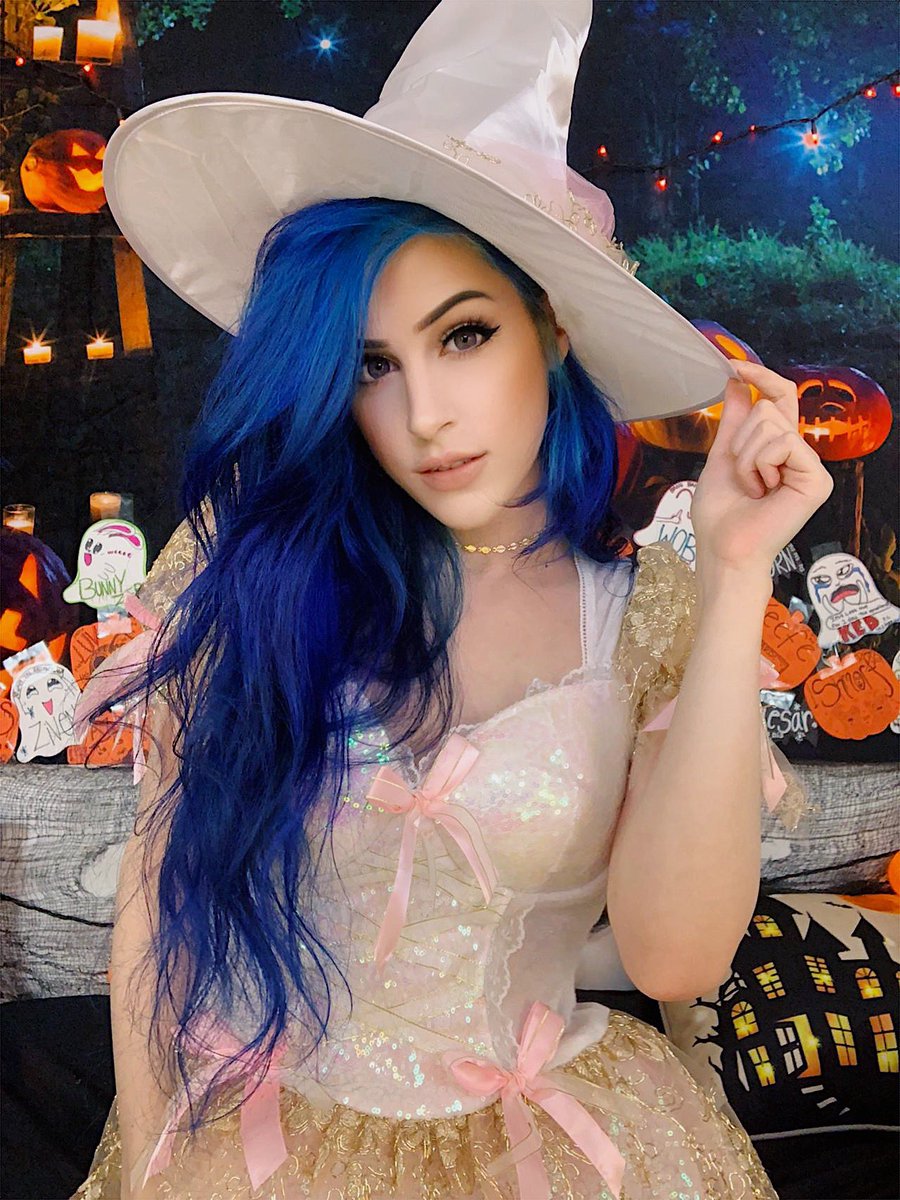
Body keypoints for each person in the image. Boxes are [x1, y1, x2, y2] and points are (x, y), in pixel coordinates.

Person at [71, 3, 831, 1198]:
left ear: (551, 330)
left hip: (562, 1152)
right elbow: (158, 913)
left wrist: (737, 576)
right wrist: (154, 1175)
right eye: (371, 364)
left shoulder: (645, 616)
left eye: (463, 336)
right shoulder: (251, 570)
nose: (423, 414)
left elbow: (676, 960)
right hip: (262, 1152)